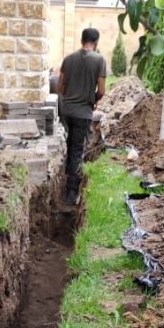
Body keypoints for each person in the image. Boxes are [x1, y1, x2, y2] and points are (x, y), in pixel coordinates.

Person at [58, 27, 106, 205]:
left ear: (81, 40)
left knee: (68, 145)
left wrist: (70, 96)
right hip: (83, 113)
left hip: (66, 111)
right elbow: (101, 90)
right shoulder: (99, 60)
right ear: (96, 42)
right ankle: (71, 193)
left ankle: (64, 179)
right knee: (77, 150)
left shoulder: (68, 59)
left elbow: (60, 87)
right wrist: (92, 99)